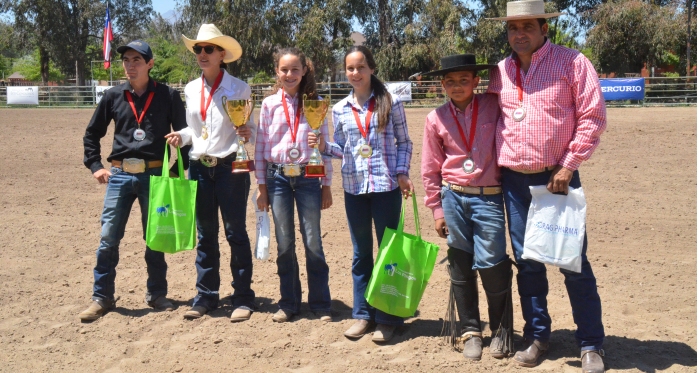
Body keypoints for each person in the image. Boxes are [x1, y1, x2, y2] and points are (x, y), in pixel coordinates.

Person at [487, 1, 607, 371]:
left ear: (544, 29)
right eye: (512, 28)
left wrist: (569, 165)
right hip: (514, 183)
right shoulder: (501, 71)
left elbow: (593, 117)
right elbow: (493, 121)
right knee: (528, 263)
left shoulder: (573, 63)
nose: (518, 34)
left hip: (557, 179)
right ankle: (537, 336)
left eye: (527, 26)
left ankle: (590, 343)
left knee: (573, 261)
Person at [309, 46, 414, 343]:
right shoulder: (340, 109)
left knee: (388, 254)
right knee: (360, 255)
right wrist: (323, 147)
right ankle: (362, 315)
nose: (355, 73)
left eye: (360, 67)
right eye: (350, 68)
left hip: (386, 188)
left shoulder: (390, 103)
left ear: (371, 69)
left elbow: (405, 142)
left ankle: (389, 318)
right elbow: (341, 149)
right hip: (354, 189)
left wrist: (403, 172)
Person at [80, 40, 189, 321]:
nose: (130, 65)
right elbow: (92, 134)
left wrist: (180, 172)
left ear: (150, 64)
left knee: (154, 238)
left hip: (154, 175)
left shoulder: (168, 95)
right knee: (108, 239)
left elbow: (185, 134)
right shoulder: (113, 96)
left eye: (136, 60)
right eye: (126, 60)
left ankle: (157, 294)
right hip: (118, 176)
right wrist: (95, 166)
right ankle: (101, 297)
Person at [419, 54, 513, 361]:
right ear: (442, 85)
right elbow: (430, 168)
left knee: (492, 261)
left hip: (488, 196)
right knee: (459, 259)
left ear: (476, 81)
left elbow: (505, 77)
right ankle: (470, 330)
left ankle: (501, 330)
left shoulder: (492, 105)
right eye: (450, 82)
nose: (457, 86)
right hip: (453, 196)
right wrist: (436, 209)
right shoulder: (434, 119)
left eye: (464, 80)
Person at [165, 24, 256, 322]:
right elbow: (195, 129)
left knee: (235, 233)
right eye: (198, 49)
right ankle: (206, 296)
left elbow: (248, 128)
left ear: (221, 54)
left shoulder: (240, 88)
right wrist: (181, 136)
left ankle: (243, 296)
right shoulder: (190, 89)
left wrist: (246, 130)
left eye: (208, 49)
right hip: (200, 169)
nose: (202, 54)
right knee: (205, 235)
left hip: (231, 168)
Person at [254, 48, 333, 323]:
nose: (289, 75)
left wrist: (327, 184)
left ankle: (321, 302)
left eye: (295, 69)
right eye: (284, 70)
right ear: (277, 72)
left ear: (304, 71)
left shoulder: (317, 103)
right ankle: (289, 302)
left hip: (309, 178)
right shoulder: (268, 105)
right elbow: (261, 146)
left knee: (312, 240)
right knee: (284, 242)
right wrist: (262, 186)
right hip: (277, 180)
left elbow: (324, 147)